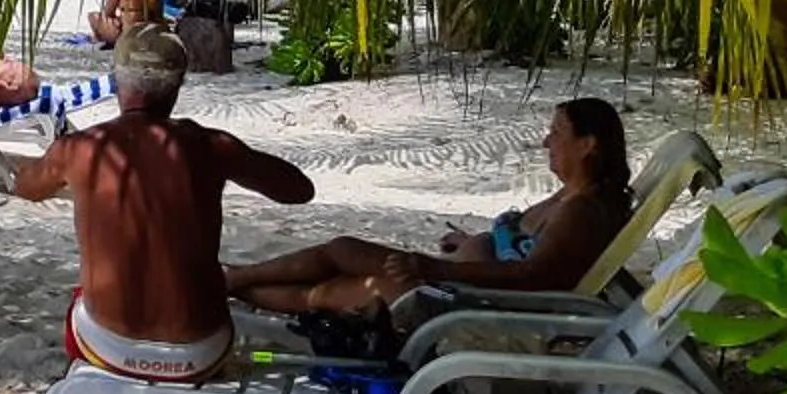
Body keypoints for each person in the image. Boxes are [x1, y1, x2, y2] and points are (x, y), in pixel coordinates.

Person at [16, 26, 316, 382]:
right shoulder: (210, 146)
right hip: (200, 353)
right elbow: (299, 190)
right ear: (177, 85)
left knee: (82, 295)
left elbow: (26, 187)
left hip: (109, 348)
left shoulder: (80, 149)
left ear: (118, 82)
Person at [224, 98, 634, 317]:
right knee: (340, 252)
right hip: (467, 281)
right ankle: (231, 281)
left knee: (326, 291)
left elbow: (531, 275)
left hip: (474, 302)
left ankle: (224, 285)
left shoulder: (581, 212)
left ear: (588, 145)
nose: (547, 142)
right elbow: (523, 252)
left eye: (557, 133)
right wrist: (471, 243)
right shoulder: (574, 194)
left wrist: (435, 267)